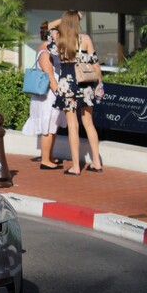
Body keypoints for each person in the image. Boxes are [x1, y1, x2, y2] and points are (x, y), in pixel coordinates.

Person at [48, 10, 104, 175]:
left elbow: (46, 27)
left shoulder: (59, 40)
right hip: (86, 84)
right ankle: (96, 162)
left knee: (73, 126)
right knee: (89, 123)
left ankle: (76, 166)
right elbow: (95, 64)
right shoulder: (85, 39)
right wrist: (99, 83)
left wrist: (65, 19)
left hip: (67, 85)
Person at [22, 21, 67, 170]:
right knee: (48, 127)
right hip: (47, 97)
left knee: (52, 126)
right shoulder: (45, 53)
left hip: (48, 96)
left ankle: (48, 156)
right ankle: (45, 160)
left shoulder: (46, 50)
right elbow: (51, 78)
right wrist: (61, 95)